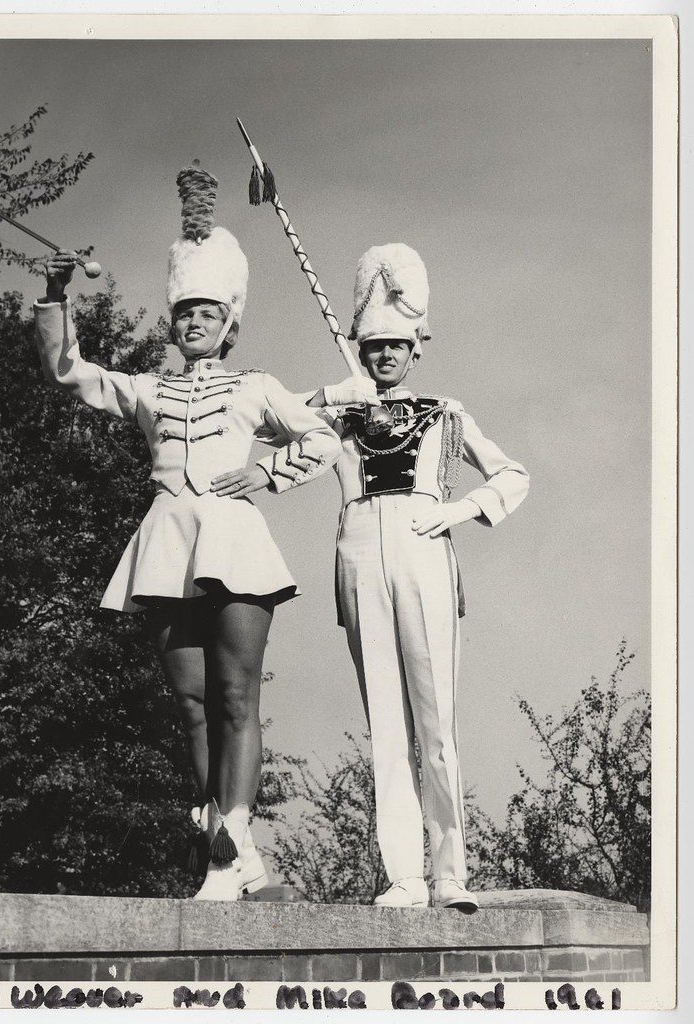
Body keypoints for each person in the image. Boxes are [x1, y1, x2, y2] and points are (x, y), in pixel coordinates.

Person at [32, 164, 341, 902]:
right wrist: (53, 293)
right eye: (184, 314)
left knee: (237, 698)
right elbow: (68, 370)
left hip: (235, 540)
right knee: (192, 703)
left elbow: (325, 438)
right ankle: (231, 849)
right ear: (172, 324)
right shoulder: (148, 389)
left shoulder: (256, 385)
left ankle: (229, 851)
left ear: (230, 324)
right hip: (167, 540)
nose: (194, 323)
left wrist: (268, 475)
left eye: (208, 313)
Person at [305, 243, 529, 911]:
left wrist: (458, 510)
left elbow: (512, 474)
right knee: (386, 729)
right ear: (359, 347)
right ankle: (403, 874)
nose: (382, 356)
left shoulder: (444, 411)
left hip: (425, 556)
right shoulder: (338, 416)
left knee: (434, 728)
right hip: (359, 562)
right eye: (371, 345)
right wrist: (324, 397)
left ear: (414, 347)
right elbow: (266, 432)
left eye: (394, 345)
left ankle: (449, 874)